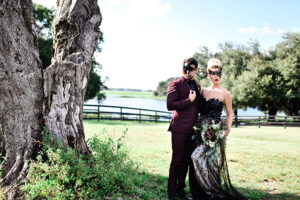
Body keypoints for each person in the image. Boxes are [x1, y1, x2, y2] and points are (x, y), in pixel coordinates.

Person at [189, 58, 247, 200]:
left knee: (206, 160)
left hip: (214, 130)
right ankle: (201, 193)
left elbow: (229, 113)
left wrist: (227, 129)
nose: (216, 76)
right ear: (208, 75)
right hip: (199, 130)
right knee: (202, 160)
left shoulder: (225, 93)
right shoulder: (203, 91)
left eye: (219, 73)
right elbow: (196, 109)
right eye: (213, 73)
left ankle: (212, 192)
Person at [166, 57, 201, 200]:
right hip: (179, 129)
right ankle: (171, 192)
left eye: (192, 69)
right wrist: (189, 100)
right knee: (177, 160)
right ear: (183, 69)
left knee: (187, 161)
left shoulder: (198, 87)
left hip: (193, 130)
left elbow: (198, 107)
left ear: (196, 70)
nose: (189, 71)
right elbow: (170, 105)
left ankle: (181, 189)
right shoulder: (175, 84)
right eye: (186, 68)